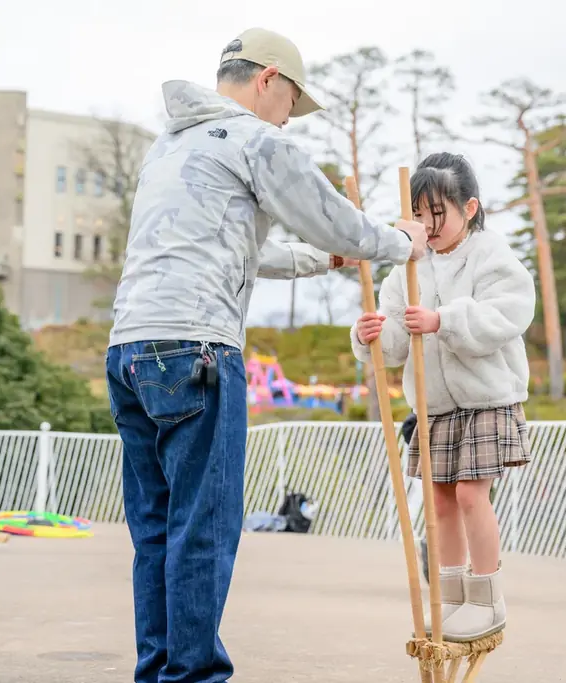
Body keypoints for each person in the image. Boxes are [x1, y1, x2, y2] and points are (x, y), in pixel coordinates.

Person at [104, 27, 428, 683]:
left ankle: (159, 670)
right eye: (291, 104)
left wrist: (327, 258)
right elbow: (330, 216)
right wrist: (396, 240)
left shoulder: (168, 149)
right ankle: (193, 676)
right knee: (206, 526)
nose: (289, 119)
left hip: (130, 349)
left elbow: (248, 250)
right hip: (196, 347)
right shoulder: (254, 137)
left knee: (158, 531)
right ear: (268, 80)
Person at [351, 152, 535, 643]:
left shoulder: (492, 252)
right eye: (420, 214)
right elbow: (392, 343)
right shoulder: (409, 265)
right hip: (434, 404)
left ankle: (487, 598)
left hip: (487, 397)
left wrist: (444, 320)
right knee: (439, 501)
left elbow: (511, 313)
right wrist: (371, 332)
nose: (429, 225)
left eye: (439, 213)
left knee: (473, 492)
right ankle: (449, 598)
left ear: (469, 208)